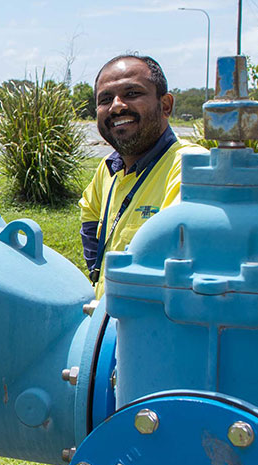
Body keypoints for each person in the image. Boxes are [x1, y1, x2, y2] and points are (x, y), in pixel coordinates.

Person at [79, 54, 206, 298]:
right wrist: (97, 270)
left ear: (165, 105)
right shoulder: (109, 168)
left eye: (132, 93)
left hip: (155, 326)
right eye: (105, 99)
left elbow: (179, 254)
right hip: (110, 320)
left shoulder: (190, 166)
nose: (117, 106)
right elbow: (90, 214)